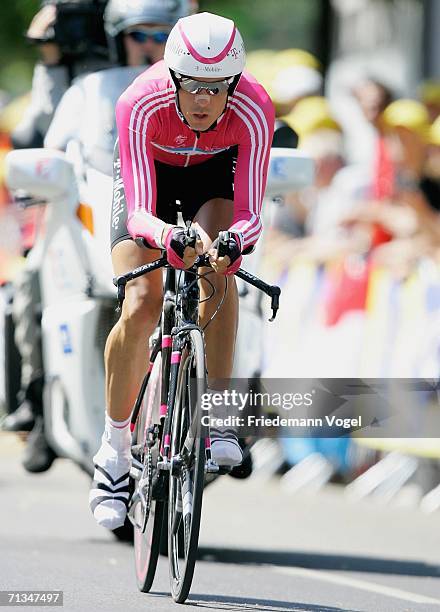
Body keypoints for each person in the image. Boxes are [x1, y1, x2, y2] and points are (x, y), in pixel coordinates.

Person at [88, 11, 274, 529]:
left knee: (221, 269)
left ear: (235, 84)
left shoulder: (255, 107)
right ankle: (114, 451)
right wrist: (169, 236)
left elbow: (251, 211)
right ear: (172, 77)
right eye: (191, 85)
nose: (203, 100)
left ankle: (215, 417)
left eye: (217, 89)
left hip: (212, 180)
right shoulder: (139, 101)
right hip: (150, 183)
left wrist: (236, 240)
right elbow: (142, 210)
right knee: (143, 301)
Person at [1, 0, 110, 473]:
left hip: (157, 197)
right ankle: (39, 401)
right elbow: (42, 131)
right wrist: (50, 54)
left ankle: (228, 413)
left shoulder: (172, 35)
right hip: (80, 202)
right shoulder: (76, 73)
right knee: (28, 283)